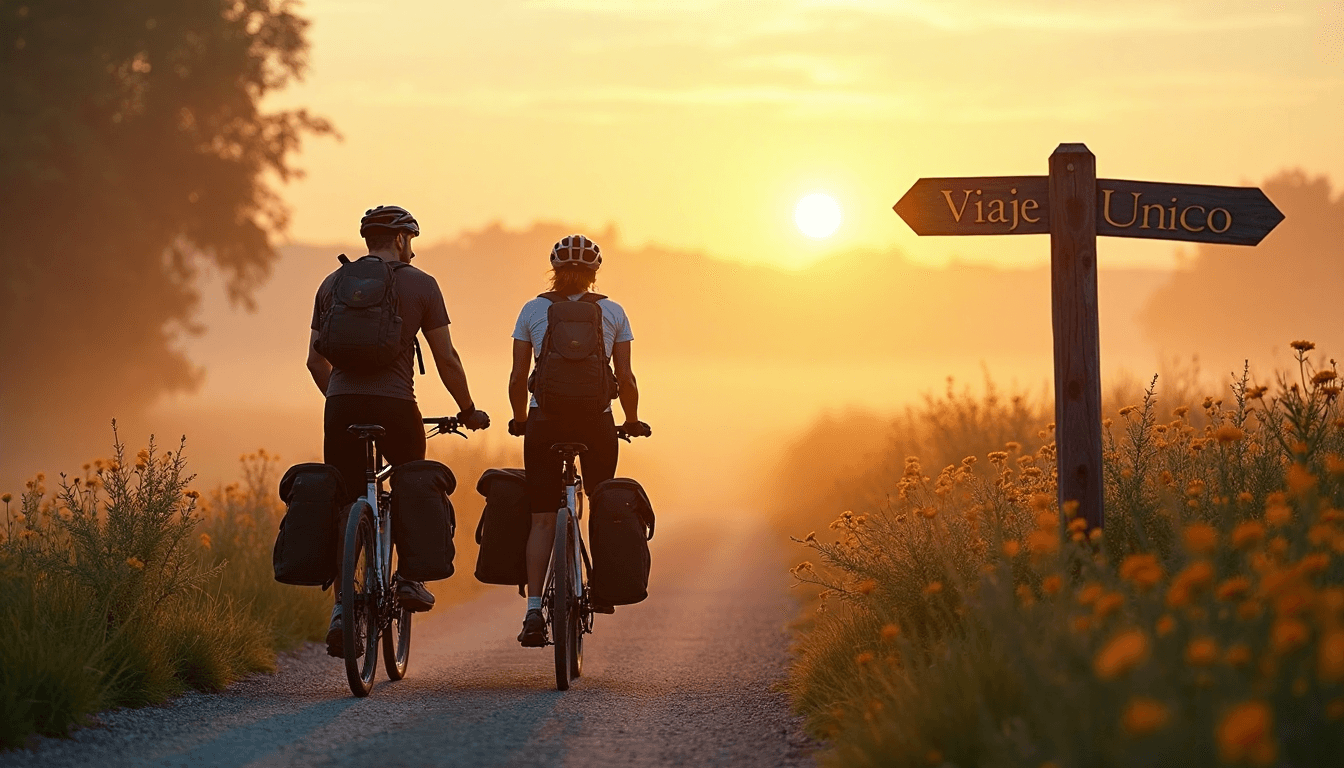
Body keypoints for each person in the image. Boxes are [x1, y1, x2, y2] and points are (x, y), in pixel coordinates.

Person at [307, 205, 489, 657]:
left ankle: (340, 609)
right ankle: (410, 579)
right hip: (396, 406)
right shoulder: (421, 284)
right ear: (403, 240)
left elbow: (315, 360)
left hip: (341, 406)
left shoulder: (333, 284)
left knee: (346, 498)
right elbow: (446, 357)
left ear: (368, 239)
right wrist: (467, 409)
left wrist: (340, 398)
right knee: (412, 482)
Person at [507, 233, 650, 647]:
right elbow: (625, 378)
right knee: (605, 505)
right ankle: (603, 588)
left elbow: (518, 377)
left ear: (554, 271)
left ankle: (534, 610)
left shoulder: (533, 309)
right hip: (596, 424)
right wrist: (633, 420)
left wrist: (520, 419)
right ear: (594, 274)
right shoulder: (613, 311)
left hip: (544, 423)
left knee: (542, 518)